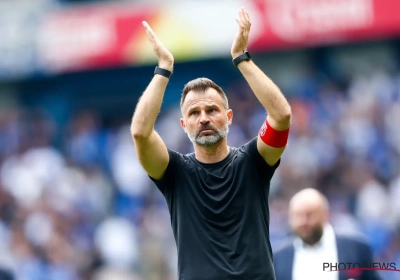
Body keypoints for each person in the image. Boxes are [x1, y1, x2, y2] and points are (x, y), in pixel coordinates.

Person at [131, 7, 291, 280]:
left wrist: (241, 58)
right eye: (194, 113)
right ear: (184, 125)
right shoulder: (174, 172)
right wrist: (163, 69)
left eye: (212, 110)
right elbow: (140, 133)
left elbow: (281, 116)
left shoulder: (253, 161)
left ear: (228, 117)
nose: (203, 118)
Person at [273, 188, 382, 280]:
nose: (303, 221)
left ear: (326, 214)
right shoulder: (277, 257)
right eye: (297, 215)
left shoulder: (357, 248)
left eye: (309, 215)